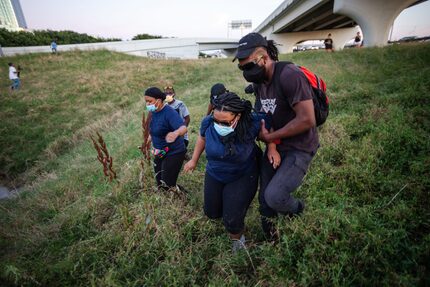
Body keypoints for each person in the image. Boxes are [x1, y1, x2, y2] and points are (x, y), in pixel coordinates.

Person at [234, 32, 319, 240]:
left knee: (275, 196)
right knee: (264, 201)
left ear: (263, 58)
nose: (246, 72)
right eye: (241, 68)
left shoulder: (289, 75)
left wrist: (271, 138)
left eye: (248, 67)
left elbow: (308, 119)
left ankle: (298, 210)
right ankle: (273, 240)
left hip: (299, 147)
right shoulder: (259, 82)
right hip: (276, 145)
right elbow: (263, 115)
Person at [184, 92, 268, 252]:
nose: (219, 125)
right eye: (217, 120)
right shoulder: (208, 123)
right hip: (215, 172)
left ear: (238, 116)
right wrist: (194, 160)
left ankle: (238, 241)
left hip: (242, 174)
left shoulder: (251, 123)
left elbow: (269, 132)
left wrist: (271, 147)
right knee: (211, 212)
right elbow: (202, 138)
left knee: (232, 220)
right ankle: (232, 206)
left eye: (225, 122)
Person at [144, 87, 188, 191]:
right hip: (161, 152)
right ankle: (167, 198)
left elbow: (184, 128)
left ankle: (183, 196)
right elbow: (154, 128)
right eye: (146, 102)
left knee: (168, 182)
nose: (147, 104)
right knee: (159, 180)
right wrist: (149, 139)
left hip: (174, 152)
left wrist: (175, 133)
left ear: (158, 101)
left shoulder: (169, 112)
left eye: (149, 101)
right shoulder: (153, 112)